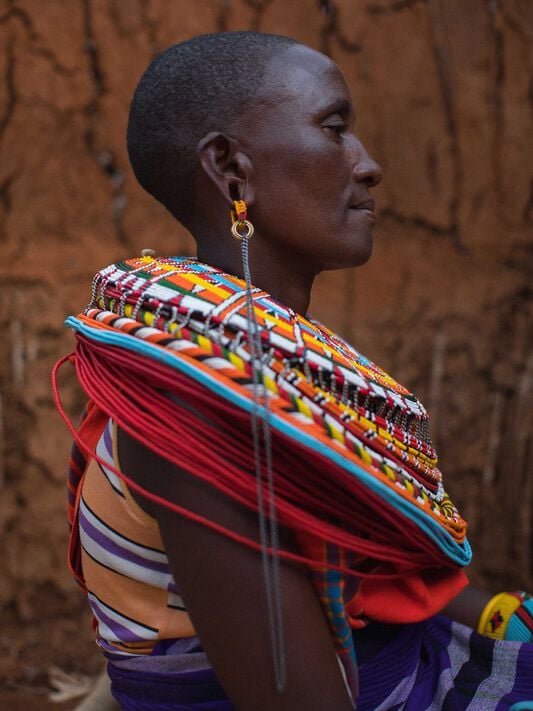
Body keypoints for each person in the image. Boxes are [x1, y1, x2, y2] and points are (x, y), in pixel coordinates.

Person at [56, 32, 533, 710]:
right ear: (230, 167)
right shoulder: (199, 409)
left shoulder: (261, 375)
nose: (367, 165)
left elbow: (384, 597)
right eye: (334, 128)